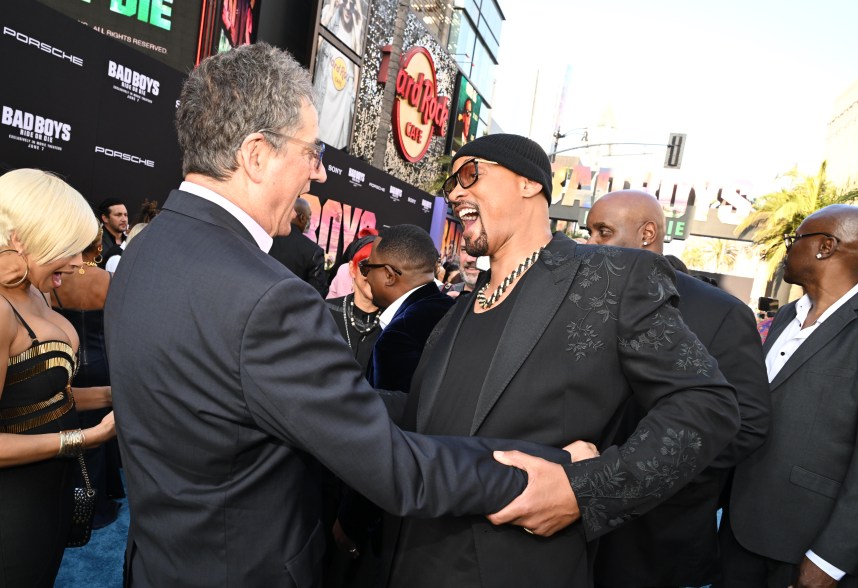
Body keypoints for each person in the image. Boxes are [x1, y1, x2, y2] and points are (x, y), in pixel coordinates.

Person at [103, 44, 570, 587]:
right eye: (310, 151)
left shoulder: (142, 251)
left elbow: (237, 395)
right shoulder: (267, 298)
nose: (319, 173)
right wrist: (539, 474)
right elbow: (394, 471)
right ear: (256, 155)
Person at [383, 134, 740, 588]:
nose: (454, 192)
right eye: (452, 182)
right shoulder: (457, 310)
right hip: (412, 558)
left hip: (516, 568)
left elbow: (707, 404)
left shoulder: (611, 279)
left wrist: (587, 490)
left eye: (470, 174)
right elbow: (424, 423)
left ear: (529, 183)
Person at [583, 189, 770, 588]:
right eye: (589, 231)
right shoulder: (584, 299)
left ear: (647, 233)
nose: (591, 243)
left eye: (603, 232)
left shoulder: (720, 311)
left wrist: (651, 469)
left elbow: (748, 422)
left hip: (661, 533)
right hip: (572, 526)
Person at [720, 204, 858, 587]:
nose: (785, 251)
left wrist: (830, 560)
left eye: (793, 240)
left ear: (825, 247)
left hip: (806, 547)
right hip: (740, 528)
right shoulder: (785, 317)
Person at [0, 168, 116, 586]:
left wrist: (117, 395)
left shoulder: (35, 291)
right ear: (22, 239)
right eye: (66, 247)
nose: (78, 262)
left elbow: (49, 400)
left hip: (50, 487)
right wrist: (85, 439)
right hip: (13, 503)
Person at [50, 223, 125, 529]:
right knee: (102, 433)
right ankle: (99, 506)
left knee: (74, 432)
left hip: (68, 365)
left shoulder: (53, 282)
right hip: (104, 363)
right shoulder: (107, 278)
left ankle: (76, 505)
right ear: (97, 246)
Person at [363, 224, 454, 394]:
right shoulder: (452, 308)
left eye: (367, 267)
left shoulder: (398, 335)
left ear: (389, 275)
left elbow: (388, 414)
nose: (366, 276)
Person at [325, 235, 382, 371]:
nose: (373, 277)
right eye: (366, 268)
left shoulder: (392, 322)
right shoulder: (327, 311)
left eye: (381, 270)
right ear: (352, 268)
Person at [269, 197, 329, 297]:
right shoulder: (314, 251)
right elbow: (316, 294)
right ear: (302, 218)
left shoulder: (268, 236)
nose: (309, 222)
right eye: (309, 217)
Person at [96, 198, 128, 269]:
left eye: (125, 215)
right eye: (118, 215)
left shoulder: (130, 240)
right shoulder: (96, 241)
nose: (124, 219)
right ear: (105, 218)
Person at [447, 233, 480, 298]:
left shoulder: (503, 303)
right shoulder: (442, 294)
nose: (469, 259)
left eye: (478, 250)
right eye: (464, 249)